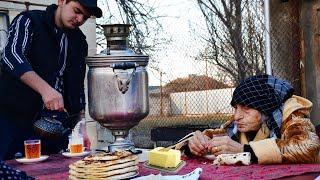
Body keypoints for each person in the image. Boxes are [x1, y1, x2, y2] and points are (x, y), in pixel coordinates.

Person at [0, 0, 102, 160]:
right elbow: (11, 56)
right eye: (77, 11)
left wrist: (80, 126)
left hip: (53, 129)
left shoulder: (80, 41)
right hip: (12, 122)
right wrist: (46, 90)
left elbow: (77, 87)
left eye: (85, 17)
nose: (80, 19)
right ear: (61, 1)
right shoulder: (29, 20)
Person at [181, 74, 320, 164]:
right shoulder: (238, 124)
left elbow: (308, 148)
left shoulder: (292, 114)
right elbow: (219, 135)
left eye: (246, 108)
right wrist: (193, 145)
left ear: (265, 109)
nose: (236, 116)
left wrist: (244, 149)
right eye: (236, 108)